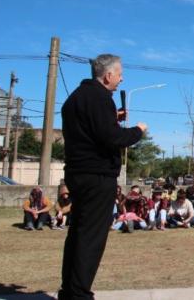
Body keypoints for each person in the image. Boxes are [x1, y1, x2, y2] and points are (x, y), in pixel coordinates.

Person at [59, 53, 147, 300]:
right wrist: (138, 130)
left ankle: (69, 290)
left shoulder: (75, 99)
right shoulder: (101, 99)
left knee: (77, 233)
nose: (121, 79)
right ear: (108, 75)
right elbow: (114, 139)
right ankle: (79, 294)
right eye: (119, 74)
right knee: (91, 238)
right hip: (97, 176)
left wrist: (111, 119)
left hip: (76, 173)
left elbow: (92, 130)